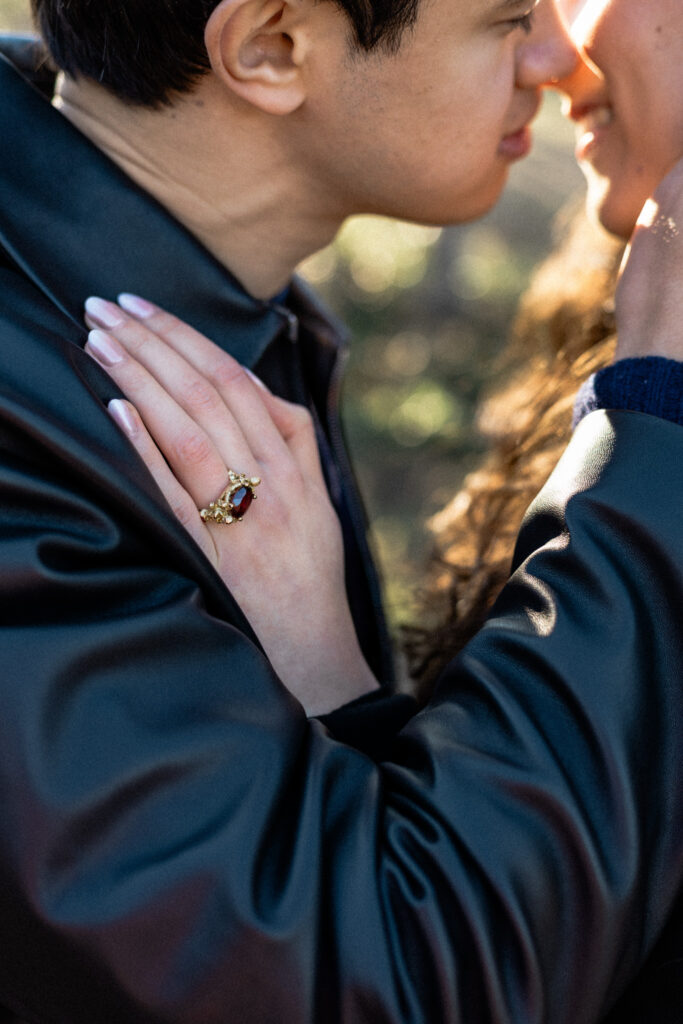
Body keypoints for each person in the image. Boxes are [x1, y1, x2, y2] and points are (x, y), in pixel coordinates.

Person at [0, 1, 681, 1022]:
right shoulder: (47, 420)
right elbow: (389, 974)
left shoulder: (198, 321)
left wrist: (331, 681)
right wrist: (655, 429)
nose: (554, 54)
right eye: (503, 18)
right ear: (270, 48)